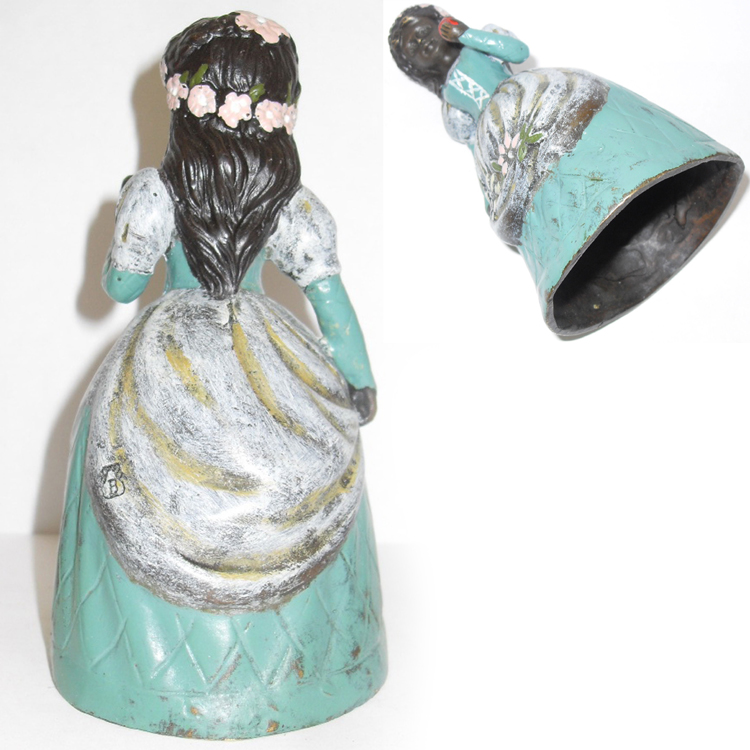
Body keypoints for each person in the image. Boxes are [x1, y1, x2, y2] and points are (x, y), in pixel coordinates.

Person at [52, 12, 385, 739]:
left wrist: (125, 227)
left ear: (183, 104)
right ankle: (311, 666)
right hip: (272, 352)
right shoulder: (293, 205)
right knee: (303, 461)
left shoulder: (157, 192)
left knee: (130, 452)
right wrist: (357, 383)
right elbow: (333, 308)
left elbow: (118, 288)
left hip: (167, 357)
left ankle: (134, 665)